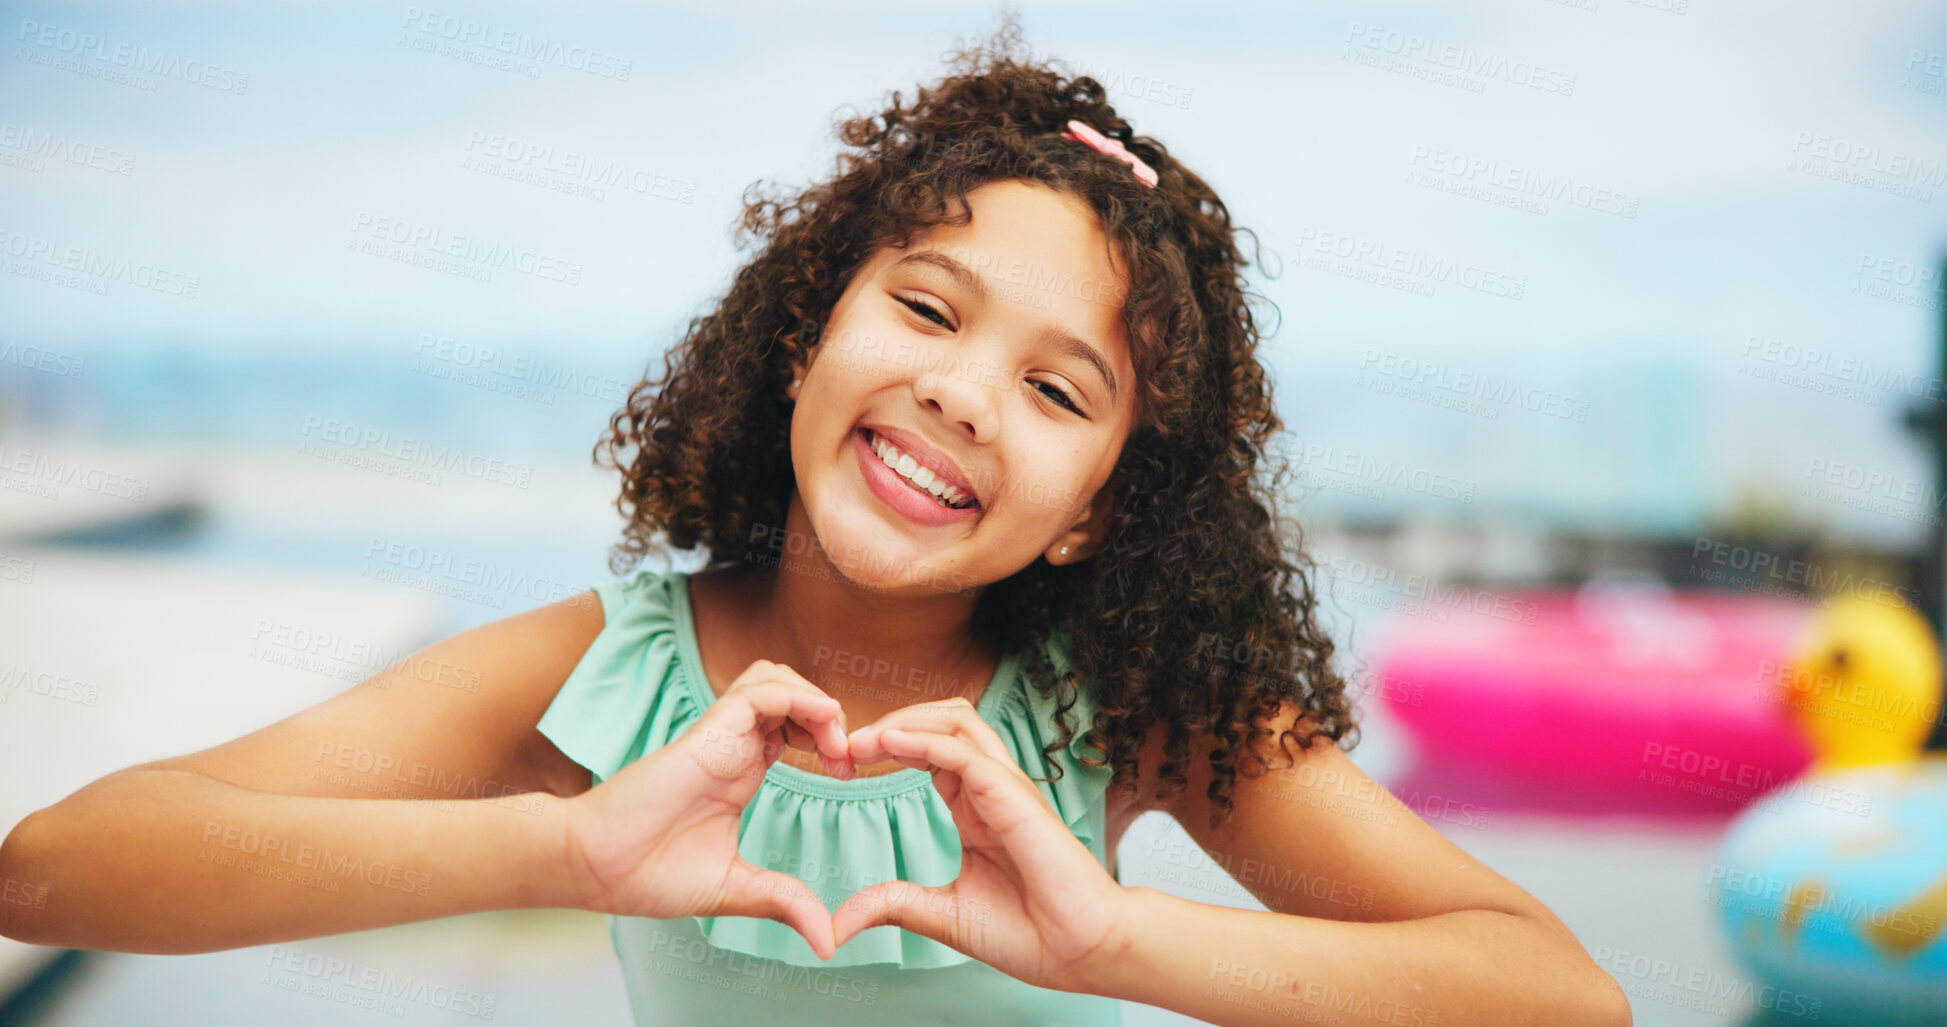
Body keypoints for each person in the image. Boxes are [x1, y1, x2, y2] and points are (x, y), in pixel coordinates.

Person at [0, 19, 1630, 1027]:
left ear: (1091, 518)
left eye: (1061, 395)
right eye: (927, 309)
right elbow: (62, 871)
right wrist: (556, 850)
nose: (968, 395)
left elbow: (1560, 1001)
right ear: (805, 336)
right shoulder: (598, 683)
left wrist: (1114, 939)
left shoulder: (1123, 714)